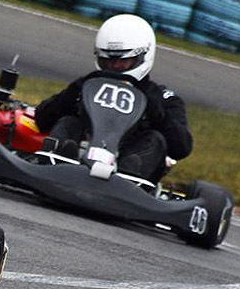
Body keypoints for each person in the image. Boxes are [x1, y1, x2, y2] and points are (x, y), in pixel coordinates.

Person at [34, 13, 192, 181]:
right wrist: (74, 93)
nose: (115, 66)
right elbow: (42, 119)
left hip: (127, 175)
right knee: (69, 122)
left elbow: (182, 148)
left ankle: (128, 174)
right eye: (108, 60)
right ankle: (59, 160)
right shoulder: (87, 85)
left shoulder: (164, 98)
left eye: (123, 60)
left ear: (143, 55)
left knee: (155, 139)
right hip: (78, 160)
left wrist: (158, 115)